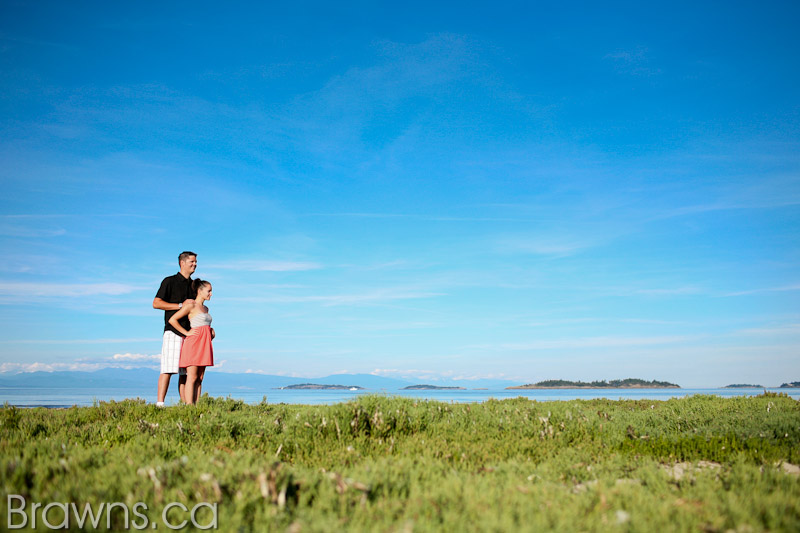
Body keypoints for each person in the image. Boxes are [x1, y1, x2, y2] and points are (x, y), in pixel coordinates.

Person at [152, 251, 197, 406]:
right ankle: (160, 404)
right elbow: (156, 303)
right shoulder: (169, 281)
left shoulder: (193, 285)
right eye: (192, 261)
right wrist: (179, 306)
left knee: (185, 372)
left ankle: (185, 405)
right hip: (172, 331)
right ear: (182, 263)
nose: (195, 264)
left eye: (196, 262)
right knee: (168, 368)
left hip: (190, 333)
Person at [169, 278, 215, 405]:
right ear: (200, 291)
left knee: (199, 378)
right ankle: (189, 406)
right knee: (192, 377)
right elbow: (173, 320)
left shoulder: (206, 308)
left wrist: (211, 331)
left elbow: (204, 324)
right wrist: (187, 332)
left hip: (205, 344)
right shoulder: (191, 305)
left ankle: (197, 405)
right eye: (209, 291)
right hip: (194, 343)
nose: (211, 294)